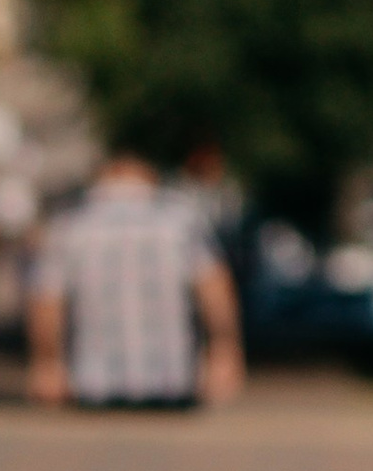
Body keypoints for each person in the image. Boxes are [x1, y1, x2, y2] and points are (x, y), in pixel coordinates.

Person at [28, 152, 245, 409]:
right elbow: (214, 291)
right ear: (149, 177)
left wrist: (47, 363)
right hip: (171, 379)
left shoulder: (70, 225)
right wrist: (224, 352)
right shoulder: (180, 222)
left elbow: (47, 301)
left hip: (93, 382)